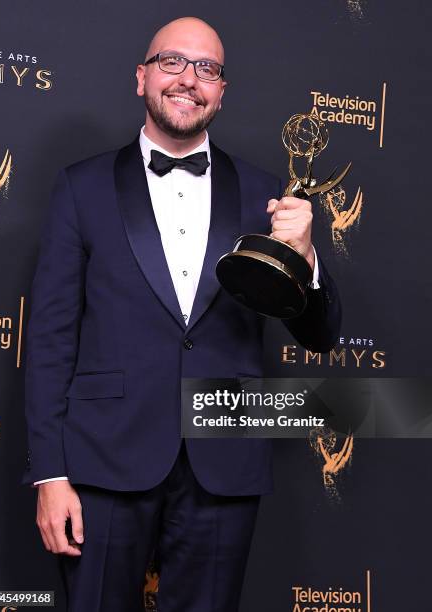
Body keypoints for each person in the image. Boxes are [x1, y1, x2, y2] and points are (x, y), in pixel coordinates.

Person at [22, 16, 341, 612]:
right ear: (141, 77)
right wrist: (50, 474)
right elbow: (48, 343)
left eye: (208, 69)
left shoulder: (267, 192)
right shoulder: (80, 187)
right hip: (102, 463)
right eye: (173, 62)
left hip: (224, 460)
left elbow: (320, 335)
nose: (189, 80)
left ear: (223, 90)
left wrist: (307, 256)